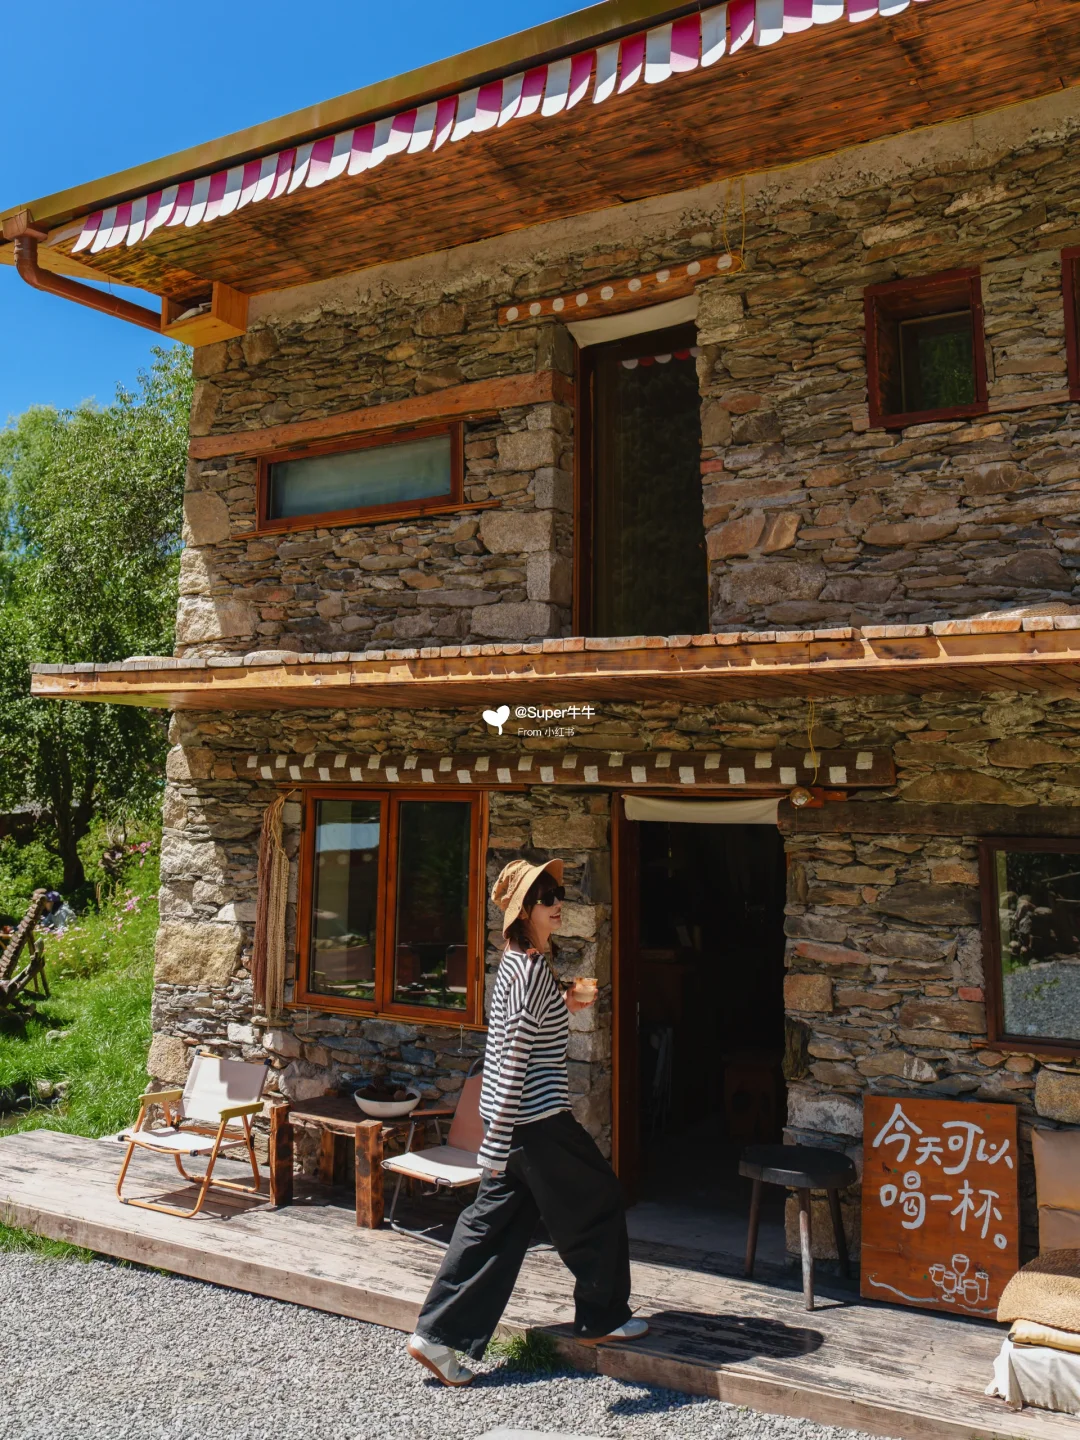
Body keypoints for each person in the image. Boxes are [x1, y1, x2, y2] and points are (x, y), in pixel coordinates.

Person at [406, 856, 647, 1387]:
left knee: (491, 1228)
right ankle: (602, 1317)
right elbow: (513, 1052)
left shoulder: (522, 965)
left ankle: (436, 1336)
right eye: (545, 898)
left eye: (557, 894)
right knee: (601, 1200)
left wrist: (565, 1001)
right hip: (534, 1121)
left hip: (516, 1121)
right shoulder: (530, 970)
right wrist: (496, 1140)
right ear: (523, 911)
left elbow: (525, 1026)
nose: (557, 904)